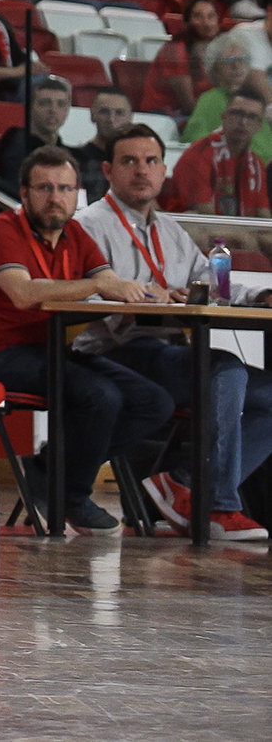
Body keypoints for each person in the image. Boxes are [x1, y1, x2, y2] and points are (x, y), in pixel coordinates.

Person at [0, 147, 167, 531]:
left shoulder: (76, 234)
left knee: (154, 402)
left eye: (65, 189)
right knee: (101, 396)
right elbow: (24, 293)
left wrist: (148, 292)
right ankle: (72, 496)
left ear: (77, 195)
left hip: (50, 351)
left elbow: (109, 282)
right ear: (24, 194)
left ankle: (47, 468)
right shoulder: (0, 230)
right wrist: (99, 285)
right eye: (45, 188)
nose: (56, 198)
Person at [72, 128, 272, 539]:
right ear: (108, 170)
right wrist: (153, 297)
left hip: (168, 353)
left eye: (150, 161)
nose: (141, 171)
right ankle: (216, 505)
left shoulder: (170, 230)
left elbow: (214, 285)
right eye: (129, 162)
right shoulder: (88, 225)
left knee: (268, 394)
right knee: (227, 370)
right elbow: (92, 301)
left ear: (164, 170)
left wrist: (262, 293)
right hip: (113, 352)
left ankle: (183, 486)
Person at [166, 85, 270, 216]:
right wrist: (247, 236)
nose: (244, 122)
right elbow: (206, 219)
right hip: (193, 231)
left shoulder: (256, 164)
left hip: (239, 232)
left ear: (259, 126)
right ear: (224, 116)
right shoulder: (199, 155)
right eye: (238, 113)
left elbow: (264, 216)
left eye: (252, 117)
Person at [181, 35, 272, 160]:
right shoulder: (210, 100)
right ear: (215, 69)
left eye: (242, 59)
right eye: (229, 60)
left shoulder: (256, 99)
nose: (237, 65)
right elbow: (195, 141)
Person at [0, 77, 83, 191]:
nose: (53, 110)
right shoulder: (17, 147)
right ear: (30, 107)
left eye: (61, 104)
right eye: (45, 103)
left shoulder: (69, 153)